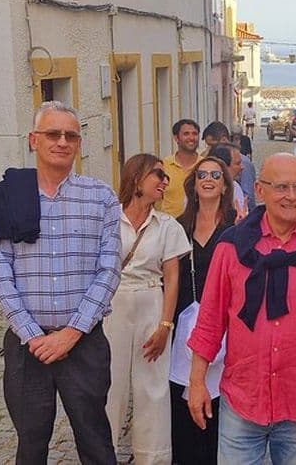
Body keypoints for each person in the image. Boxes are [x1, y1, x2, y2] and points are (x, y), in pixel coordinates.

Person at [186, 153, 296, 464]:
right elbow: (210, 320)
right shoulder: (232, 246)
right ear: (259, 189)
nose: (293, 196)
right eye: (282, 187)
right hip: (243, 395)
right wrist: (196, 381)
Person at [0, 101, 121, 464]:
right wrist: (33, 335)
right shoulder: (6, 198)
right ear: (33, 140)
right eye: (52, 134)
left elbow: (108, 271)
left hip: (84, 343)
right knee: (30, 445)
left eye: (70, 135)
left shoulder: (101, 198)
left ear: (79, 143)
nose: (62, 141)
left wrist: (71, 333)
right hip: (27, 347)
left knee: (96, 442)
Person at [105, 153, 191, 464]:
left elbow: (172, 278)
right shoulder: (109, 219)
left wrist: (164, 326)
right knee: (109, 383)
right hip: (113, 304)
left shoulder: (167, 225)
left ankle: (152, 458)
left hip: (152, 301)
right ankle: (103, 453)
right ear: (137, 178)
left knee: (152, 387)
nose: (165, 181)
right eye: (158, 174)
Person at [169, 157, 237, 465]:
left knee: (221, 409)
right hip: (184, 325)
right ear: (194, 185)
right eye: (201, 175)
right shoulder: (177, 227)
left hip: (230, 328)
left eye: (215, 175)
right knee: (183, 406)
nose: (208, 179)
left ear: (225, 185)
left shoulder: (239, 227)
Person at [160, 118, 201, 217]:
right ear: (176, 138)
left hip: (197, 226)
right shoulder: (164, 166)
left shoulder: (205, 166)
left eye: (195, 134)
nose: (191, 138)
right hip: (169, 227)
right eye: (186, 134)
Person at [208, 144, 249, 219]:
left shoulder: (236, 187)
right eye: (238, 163)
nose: (242, 167)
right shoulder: (202, 189)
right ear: (223, 166)